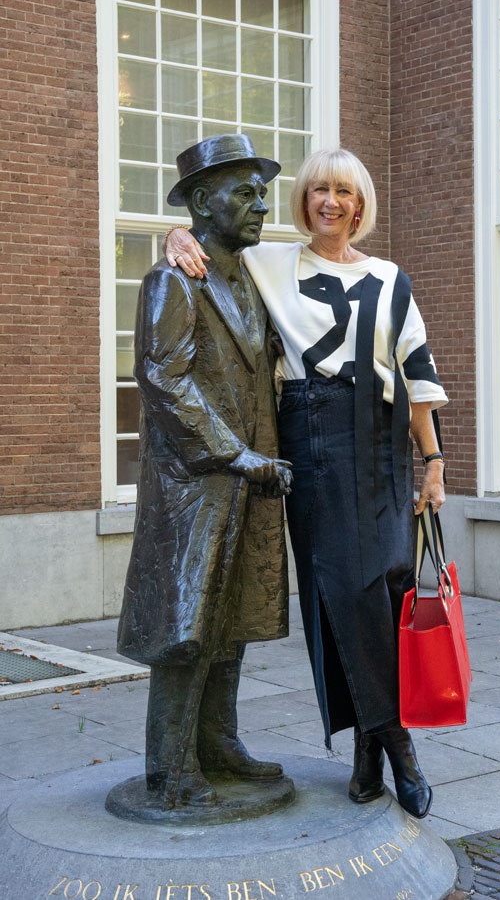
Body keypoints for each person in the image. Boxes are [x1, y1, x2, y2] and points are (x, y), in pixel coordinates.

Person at [166, 146, 447, 818]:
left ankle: (367, 751)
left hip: (381, 445)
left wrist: (432, 465)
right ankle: (399, 746)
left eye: (344, 191)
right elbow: (203, 241)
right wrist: (172, 234)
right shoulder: (272, 262)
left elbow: (416, 379)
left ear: (359, 204)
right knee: (341, 593)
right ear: (305, 200)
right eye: (319, 189)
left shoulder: (389, 277)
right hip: (313, 439)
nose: (331, 201)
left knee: (385, 589)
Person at [117, 135, 293, 809]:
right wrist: (231, 451)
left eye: (260, 190)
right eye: (244, 191)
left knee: (234, 617)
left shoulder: (255, 275)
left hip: (249, 479)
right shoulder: (172, 279)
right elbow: (164, 378)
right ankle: (170, 766)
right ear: (199, 200)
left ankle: (218, 741)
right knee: (186, 629)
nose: (260, 204)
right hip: (198, 483)